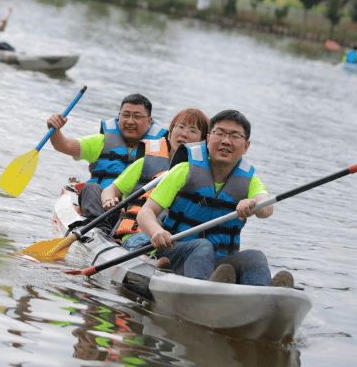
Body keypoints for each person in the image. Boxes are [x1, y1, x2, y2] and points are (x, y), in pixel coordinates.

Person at [128, 110, 293, 288]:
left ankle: (266, 301)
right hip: (174, 252)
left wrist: (254, 204)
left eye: (235, 136)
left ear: (246, 146)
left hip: (217, 262)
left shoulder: (249, 181)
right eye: (219, 133)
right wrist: (156, 232)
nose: (226, 141)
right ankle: (203, 292)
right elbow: (145, 213)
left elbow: (266, 208)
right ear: (207, 139)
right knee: (202, 246)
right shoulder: (184, 170)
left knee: (255, 257)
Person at [46, 94, 167, 230]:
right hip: (100, 207)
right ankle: (100, 228)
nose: (130, 121)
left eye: (137, 117)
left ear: (149, 121)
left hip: (133, 213)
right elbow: (64, 145)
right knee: (90, 188)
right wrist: (55, 130)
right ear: (118, 116)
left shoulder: (161, 153)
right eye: (126, 115)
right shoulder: (101, 142)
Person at [103, 108, 209, 243]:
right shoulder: (147, 163)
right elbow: (111, 189)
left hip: (173, 241)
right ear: (171, 132)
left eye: (193, 131)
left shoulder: (203, 177)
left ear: (203, 141)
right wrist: (108, 200)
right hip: (135, 234)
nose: (184, 134)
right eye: (180, 127)